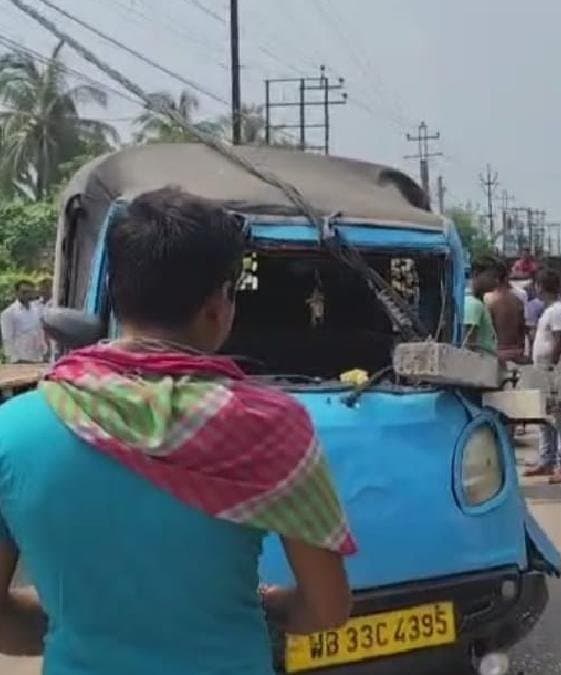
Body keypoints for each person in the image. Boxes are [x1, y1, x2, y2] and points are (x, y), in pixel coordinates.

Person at [0, 187, 353, 673]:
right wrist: (266, 607)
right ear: (218, 306)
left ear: (118, 298)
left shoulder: (12, 430)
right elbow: (328, 609)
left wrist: (83, 625)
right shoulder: (273, 429)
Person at [523, 268, 561, 484]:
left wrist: (551, 368)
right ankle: (546, 461)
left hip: (554, 373)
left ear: (540, 287)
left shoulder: (558, 310)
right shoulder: (548, 310)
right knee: (544, 419)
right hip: (543, 371)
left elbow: (559, 340)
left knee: (560, 420)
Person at [486, 264, 528, 363]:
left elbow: (489, 331)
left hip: (498, 351)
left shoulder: (490, 300)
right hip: (517, 351)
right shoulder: (518, 301)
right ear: (506, 278)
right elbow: (522, 328)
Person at [0, 280, 47, 364]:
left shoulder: (38, 309)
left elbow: (40, 331)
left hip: (37, 358)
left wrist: (44, 351)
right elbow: (7, 338)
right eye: (24, 292)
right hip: (19, 359)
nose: (27, 295)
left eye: (30, 292)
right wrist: (14, 359)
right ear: (17, 292)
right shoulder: (9, 313)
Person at [463, 255, 500, 355]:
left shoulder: (479, 302)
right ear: (476, 274)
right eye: (492, 276)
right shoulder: (474, 304)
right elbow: (469, 346)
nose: (496, 281)